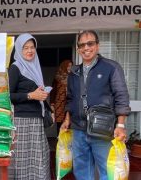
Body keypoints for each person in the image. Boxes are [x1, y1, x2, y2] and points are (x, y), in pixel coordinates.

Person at [61, 30, 130, 180]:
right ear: (78, 49)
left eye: (90, 43)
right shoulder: (74, 72)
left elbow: (121, 96)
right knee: (82, 172)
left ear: (97, 46)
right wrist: (67, 119)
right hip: (78, 130)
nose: (86, 48)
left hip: (102, 130)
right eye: (82, 45)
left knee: (108, 172)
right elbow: (70, 98)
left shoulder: (111, 67)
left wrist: (121, 125)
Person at [8, 33, 52, 180]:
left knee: (38, 159)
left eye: (32, 47)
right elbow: (7, 96)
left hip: (36, 121)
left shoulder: (35, 67)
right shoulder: (15, 68)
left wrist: (45, 103)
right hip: (21, 122)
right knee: (22, 161)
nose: (29, 51)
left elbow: (37, 93)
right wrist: (30, 95)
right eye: (25, 48)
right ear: (19, 50)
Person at [50, 60, 72, 136]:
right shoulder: (57, 78)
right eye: (68, 66)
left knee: (69, 122)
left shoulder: (73, 77)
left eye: (71, 66)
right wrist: (52, 104)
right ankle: (59, 140)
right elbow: (53, 92)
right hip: (59, 104)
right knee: (60, 123)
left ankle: (68, 143)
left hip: (69, 103)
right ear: (64, 67)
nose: (70, 68)